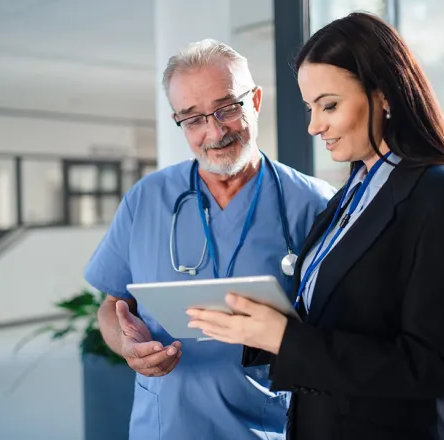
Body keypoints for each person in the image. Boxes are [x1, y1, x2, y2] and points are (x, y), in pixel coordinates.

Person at [186, 13, 444, 440]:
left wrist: (287, 339)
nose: (314, 125)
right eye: (310, 108)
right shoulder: (349, 197)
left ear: (385, 95)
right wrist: (260, 325)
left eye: (329, 105)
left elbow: (433, 368)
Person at [84, 39, 335, 440]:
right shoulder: (146, 199)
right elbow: (112, 306)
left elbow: (339, 330)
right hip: (165, 426)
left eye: (227, 109)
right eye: (193, 119)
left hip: (269, 425)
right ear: (178, 122)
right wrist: (127, 346)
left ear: (254, 100)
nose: (214, 131)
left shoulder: (313, 203)